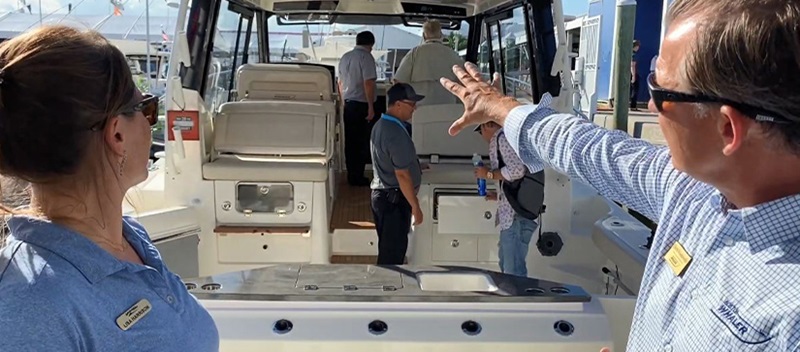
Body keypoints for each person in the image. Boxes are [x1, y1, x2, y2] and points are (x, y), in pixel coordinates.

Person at [440, 0, 800, 350]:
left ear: (727, 129)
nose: (653, 104)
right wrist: (502, 108)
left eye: (661, 90)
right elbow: (592, 149)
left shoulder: (790, 316)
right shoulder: (693, 192)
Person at [0, 26, 219, 351]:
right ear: (116, 134)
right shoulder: (31, 308)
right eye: (147, 109)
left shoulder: (129, 237)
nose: (150, 123)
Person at [474, 120, 544, 277]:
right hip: (517, 214)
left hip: (515, 218)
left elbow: (517, 170)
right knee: (507, 265)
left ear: (486, 126)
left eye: (480, 131)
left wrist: (488, 174)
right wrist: (499, 195)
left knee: (513, 271)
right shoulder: (511, 138)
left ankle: (518, 300)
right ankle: (513, 298)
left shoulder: (503, 139)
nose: (482, 136)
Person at [370, 83, 424, 265]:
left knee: (388, 251)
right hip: (393, 201)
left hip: (383, 197)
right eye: (412, 104)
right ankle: (386, 291)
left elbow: (391, 161)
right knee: (392, 258)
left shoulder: (381, 125)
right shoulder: (395, 132)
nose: (415, 108)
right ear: (398, 104)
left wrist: (416, 166)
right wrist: (415, 206)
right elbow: (402, 175)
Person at [393, 20, 465, 106]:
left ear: (424, 35)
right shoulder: (453, 55)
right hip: (447, 105)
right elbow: (463, 81)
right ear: (441, 35)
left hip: (419, 106)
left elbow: (398, 80)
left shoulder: (414, 53)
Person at [338, 30, 378, 186]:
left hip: (348, 104)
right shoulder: (366, 57)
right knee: (361, 142)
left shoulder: (345, 57)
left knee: (350, 142)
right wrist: (370, 106)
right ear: (371, 44)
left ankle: (351, 175)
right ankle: (359, 177)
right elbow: (368, 83)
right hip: (361, 104)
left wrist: (343, 103)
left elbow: (340, 83)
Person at [630, 39, 640, 110]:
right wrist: (633, 76)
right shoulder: (634, 55)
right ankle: (633, 106)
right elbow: (632, 65)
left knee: (631, 90)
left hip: (629, 74)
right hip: (633, 74)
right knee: (635, 90)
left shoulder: (629, 54)